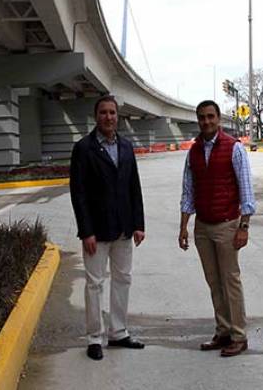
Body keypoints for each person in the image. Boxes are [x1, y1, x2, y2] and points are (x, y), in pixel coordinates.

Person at [70, 95, 146, 361]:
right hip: (97, 231)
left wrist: (139, 224)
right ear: (96, 116)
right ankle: (94, 338)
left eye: (112, 112)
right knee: (94, 283)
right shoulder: (83, 148)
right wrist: (86, 231)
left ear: (118, 116)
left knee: (123, 279)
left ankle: (118, 332)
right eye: (103, 112)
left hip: (124, 228)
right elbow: (78, 193)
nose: (109, 117)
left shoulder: (126, 147)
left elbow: (133, 187)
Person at [178, 100, 256, 357]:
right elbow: (188, 191)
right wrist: (184, 227)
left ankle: (239, 335)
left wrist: (243, 226)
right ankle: (222, 331)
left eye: (210, 117)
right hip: (203, 226)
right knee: (214, 281)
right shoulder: (194, 151)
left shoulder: (234, 148)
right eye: (201, 117)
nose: (206, 121)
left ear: (218, 118)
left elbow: (246, 190)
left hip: (227, 225)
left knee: (230, 280)